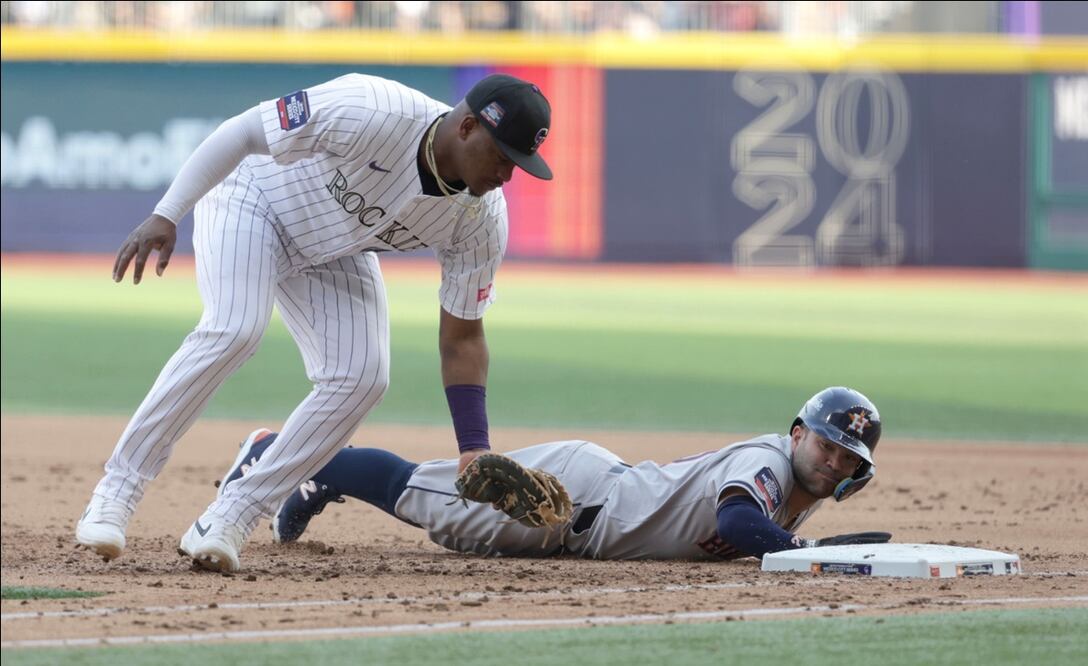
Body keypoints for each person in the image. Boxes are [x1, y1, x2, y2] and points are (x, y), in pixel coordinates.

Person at [75, 72, 553, 573]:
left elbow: (463, 336)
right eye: (503, 156)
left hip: (334, 248)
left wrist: (473, 448)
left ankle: (234, 513)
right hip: (254, 199)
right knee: (235, 328)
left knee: (363, 376)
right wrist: (168, 213)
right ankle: (117, 489)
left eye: (519, 164)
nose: (508, 175)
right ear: (469, 127)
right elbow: (243, 132)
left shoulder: (481, 219)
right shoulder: (374, 107)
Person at [219, 387, 887, 561]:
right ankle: (279, 453)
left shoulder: (805, 488)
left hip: (591, 513)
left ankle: (315, 478)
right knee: (421, 496)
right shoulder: (768, 463)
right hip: (573, 498)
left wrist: (801, 548)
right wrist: (805, 554)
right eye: (827, 446)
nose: (833, 462)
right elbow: (739, 521)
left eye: (847, 460)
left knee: (427, 502)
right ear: (799, 433)